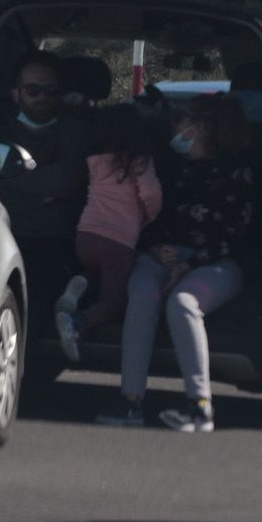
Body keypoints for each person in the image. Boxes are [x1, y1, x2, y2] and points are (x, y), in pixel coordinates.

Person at [98, 94, 257, 433]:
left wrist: (188, 264)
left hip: (216, 262)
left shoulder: (237, 172)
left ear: (201, 127)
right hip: (164, 254)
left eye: (179, 123)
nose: (174, 130)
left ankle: (199, 406)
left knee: (183, 303)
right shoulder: (170, 166)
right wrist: (155, 248)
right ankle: (130, 401)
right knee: (141, 294)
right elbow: (147, 215)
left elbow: (234, 235)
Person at [0, 52, 93, 333]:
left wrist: (20, 181)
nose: (42, 97)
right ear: (15, 93)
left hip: (57, 240)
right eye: (33, 90)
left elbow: (67, 180)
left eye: (50, 91)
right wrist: (40, 192)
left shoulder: (76, 132)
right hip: (4, 234)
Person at [56, 123, 164, 360]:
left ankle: (80, 282)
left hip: (85, 234)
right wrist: (150, 215)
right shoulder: (140, 162)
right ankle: (76, 323)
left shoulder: (96, 161)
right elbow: (150, 193)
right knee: (114, 303)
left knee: (97, 270)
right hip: (118, 240)